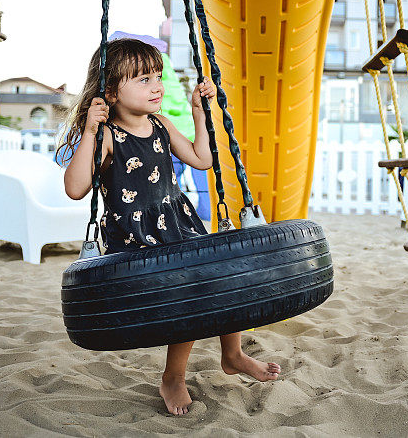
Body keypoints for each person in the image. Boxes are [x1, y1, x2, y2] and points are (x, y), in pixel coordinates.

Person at [59, 38, 281, 415]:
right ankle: (173, 378)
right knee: (187, 295)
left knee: (224, 276)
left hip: (177, 223)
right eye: (144, 79)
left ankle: (234, 354)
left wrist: (199, 113)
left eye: (158, 76)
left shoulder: (160, 123)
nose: (157, 86)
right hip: (138, 240)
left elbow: (201, 158)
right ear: (110, 92)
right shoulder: (109, 135)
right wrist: (91, 133)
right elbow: (75, 187)